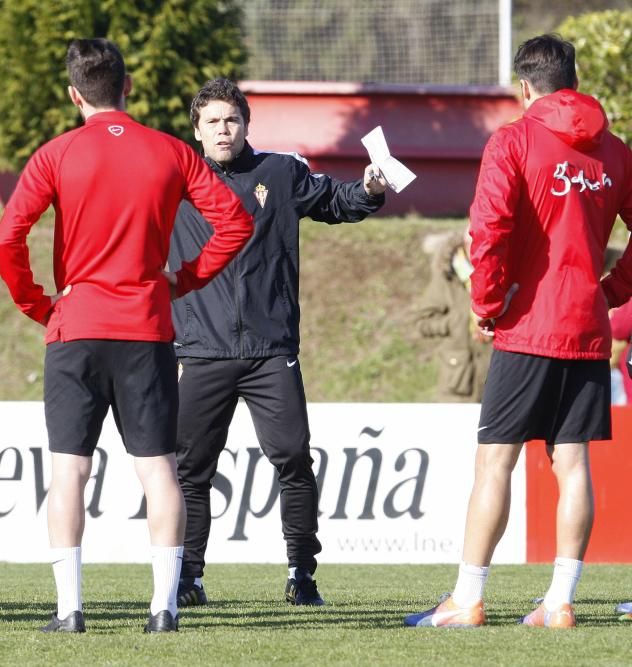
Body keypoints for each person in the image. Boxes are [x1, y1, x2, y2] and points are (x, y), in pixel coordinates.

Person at [0, 40, 253, 633]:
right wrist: (183, 280)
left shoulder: (56, 154)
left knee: (69, 473)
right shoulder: (170, 152)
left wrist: (39, 305)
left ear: (74, 94)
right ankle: (163, 609)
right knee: (159, 470)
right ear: (128, 87)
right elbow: (236, 220)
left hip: (76, 328)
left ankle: (70, 612)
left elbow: (8, 237)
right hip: (146, 328)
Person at [406, 34, 632, 629]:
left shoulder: (512, 139)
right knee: (573, 462)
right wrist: (610, 291)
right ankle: (559, 604)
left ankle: (468, 599)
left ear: (524, 87)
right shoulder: (615, 151)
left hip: (527, 326)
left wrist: (485, 303)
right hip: (584, 326)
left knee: (494, 463)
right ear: (575, 80)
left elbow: (489, 231)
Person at [168, 78, 386, 609]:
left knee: (293, 459)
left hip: (271, 350)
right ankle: (187, 577)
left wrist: (371, 191)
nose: (224, 129)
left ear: (246, 126)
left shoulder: (279, 173)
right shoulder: (172, 181)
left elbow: (337, 200)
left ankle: (301, 572)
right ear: (196, 130)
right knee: (190, 469)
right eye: (213, 121)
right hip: (201, 349)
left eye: (232, 120)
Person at [412, 229, 492, 402]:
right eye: (474, 243)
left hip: (493, 384)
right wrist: (457, 321)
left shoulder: (498, 277)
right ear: (465, 243)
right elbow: (421, 323)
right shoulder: (447, 278)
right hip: (456, 385)